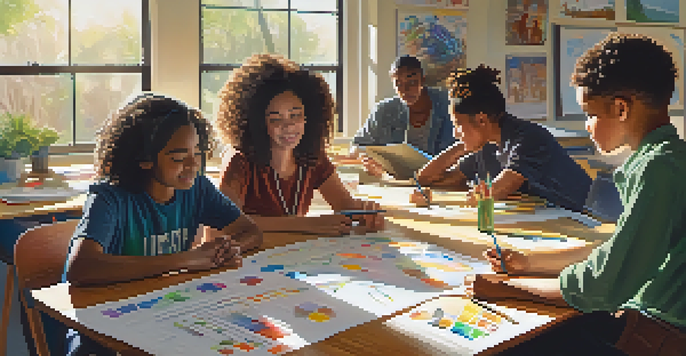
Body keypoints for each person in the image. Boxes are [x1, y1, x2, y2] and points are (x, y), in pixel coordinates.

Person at [479, 33, 686, 355]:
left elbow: (602, 285)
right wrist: (529, 261)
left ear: (621, 108)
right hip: (644, 317)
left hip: (658, 332)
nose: (587, 126)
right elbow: (618, 250)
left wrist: (509, 286)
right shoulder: (667, 158)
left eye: (590, 114)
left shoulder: (659, 169)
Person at [59, 93, 263, 356]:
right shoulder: (109, 198)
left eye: (197, 154)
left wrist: (226, 252)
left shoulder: (196, 187)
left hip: (162, 313)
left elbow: (251, 232)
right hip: (99, 328)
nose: (192, 166)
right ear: (144, 159)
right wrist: (185, 259)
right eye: (178, 158)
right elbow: (81, 268)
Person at [213, 54, 384, 237]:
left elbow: (344, 205)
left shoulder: (312, 157)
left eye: (295, 115)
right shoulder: (239, 160)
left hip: (290, 256)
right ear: (258, 122)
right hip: (247, 258)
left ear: (308, 117)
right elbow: (227, 221)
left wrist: (365, 211)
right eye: (276, 118)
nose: (288, 126)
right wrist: (306, 224)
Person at [414, 65, 592, 212]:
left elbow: (493, 192)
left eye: (458, 124)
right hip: (550, 221)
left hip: (587, 219)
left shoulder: (528, 139)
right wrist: (463, 145)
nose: (455, 133)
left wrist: (436, 198)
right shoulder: (488, 145)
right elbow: (426, 179)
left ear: (481, 119)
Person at [350, 55, 456, 177]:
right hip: (397, 181)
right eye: (399, 84)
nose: (405, 90)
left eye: (412, 82)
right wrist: (365, 158)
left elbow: (467, 147)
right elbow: (357, 146)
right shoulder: (384, 111)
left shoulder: (447, 105)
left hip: (443, 179)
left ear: (423, 80)